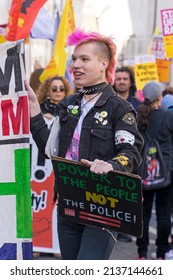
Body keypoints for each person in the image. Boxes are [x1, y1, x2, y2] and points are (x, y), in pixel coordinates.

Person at [27, 28, 143, 260]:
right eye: (74, 59)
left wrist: (111, 165)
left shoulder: (119, 108)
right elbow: (50, 151)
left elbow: (130, 152)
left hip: (103, 207)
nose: (76, 65)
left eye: (84, 59)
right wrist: (34, 114)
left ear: (103, 64)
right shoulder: (68, 105)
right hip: (67, 205)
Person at [136, 81, 173, 260]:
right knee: (164, 214)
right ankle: (161, 254)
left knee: (142, 212)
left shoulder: (137, 116)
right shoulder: (168, 117)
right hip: (166, 172)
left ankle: (141, 254)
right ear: (160, 98)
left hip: (143, 172)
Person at [113, 66, 142, 242]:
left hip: (133, 158)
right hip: (112, 157)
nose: (122, 81)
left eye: (125, 78)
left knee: (129, 196)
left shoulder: (138, 105)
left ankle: (124, 228)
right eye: (119, 78)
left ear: (131, 82)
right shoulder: (108, 102)